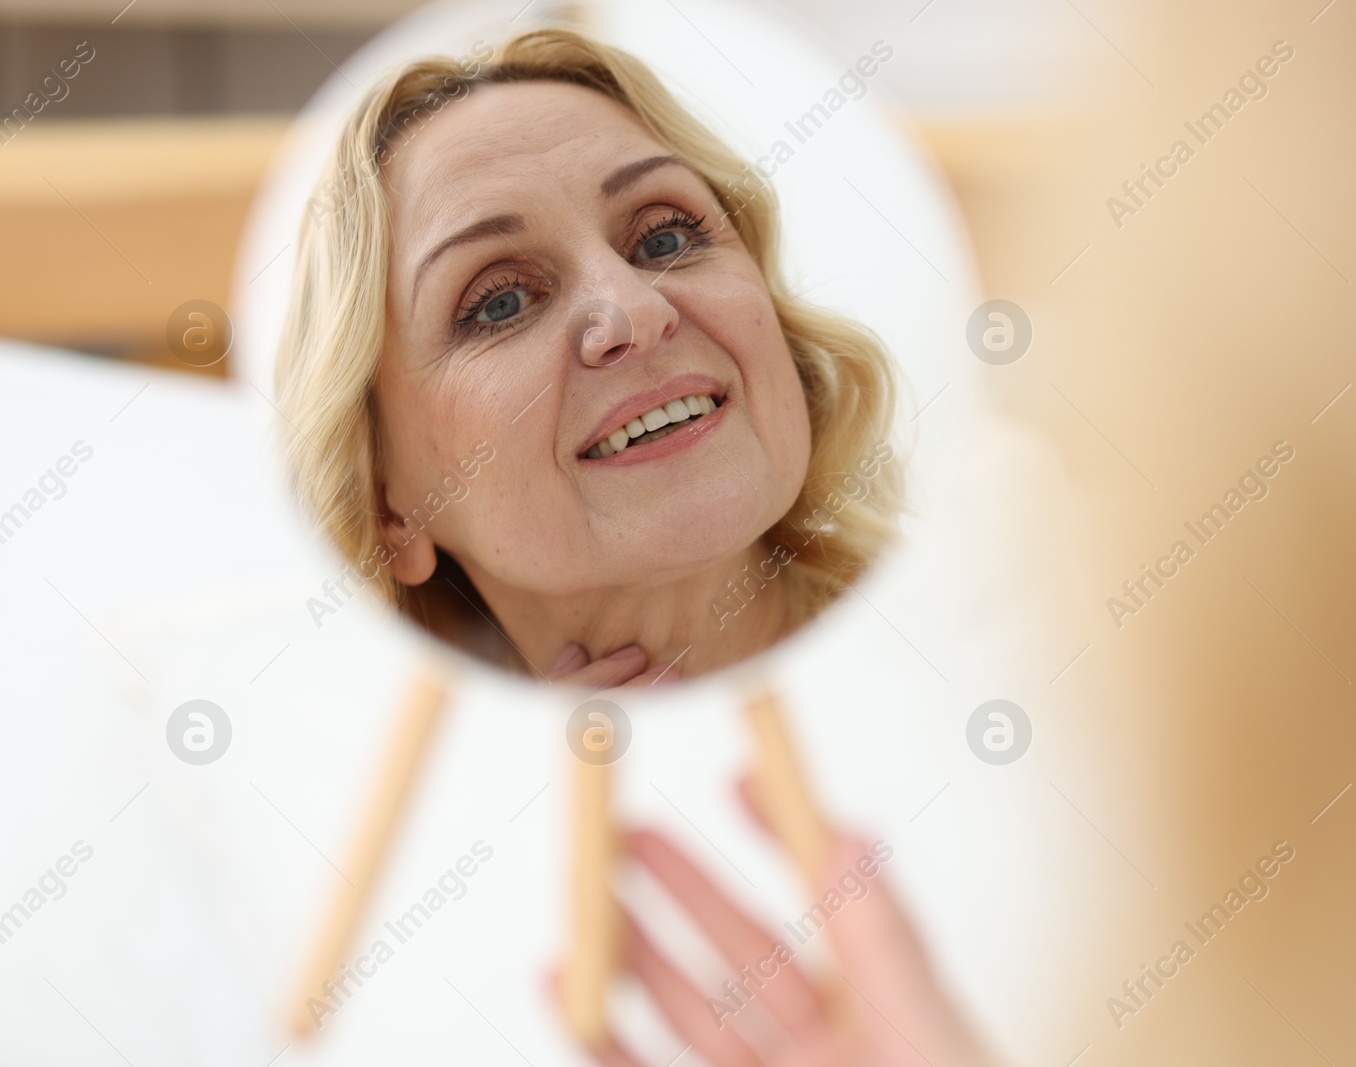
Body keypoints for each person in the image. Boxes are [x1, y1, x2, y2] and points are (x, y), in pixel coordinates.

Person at [275, 28, 995, 1065]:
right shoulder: (375, 879)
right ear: (392, 509)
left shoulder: (1028, 642)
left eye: (663, 236)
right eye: (501, 300)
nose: (635, 311)